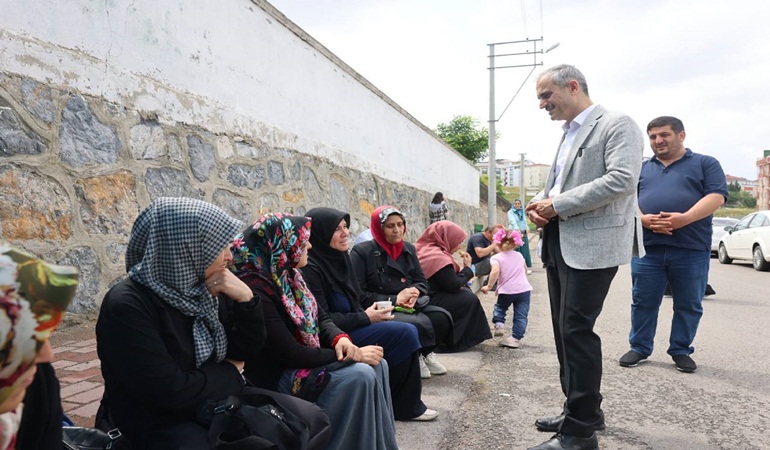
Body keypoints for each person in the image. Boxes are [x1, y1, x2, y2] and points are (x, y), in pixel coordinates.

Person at [95, 198, 331, 450]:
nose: (230, 257)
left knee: (314, 421)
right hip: (157, 418)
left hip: (216, 398)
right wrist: (230, 371)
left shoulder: (208, 286)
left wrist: (247, 300)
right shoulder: (128, 304)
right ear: (186, 248)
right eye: (220, 248)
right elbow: (168, 391)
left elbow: (245, 351)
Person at [525, 64, 644, 450]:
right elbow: (563, 185)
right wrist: (541, 206)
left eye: (546, 95)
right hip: (560, 237)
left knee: (576, 330)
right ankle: (582, 410)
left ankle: (579, 433)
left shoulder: (616, 123)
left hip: (593, 243)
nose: (542, 104)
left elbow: (622, 179)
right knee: (564, 331)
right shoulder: (569, 133)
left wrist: (556, 204)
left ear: (572, 86)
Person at [231, 213, 399, 450]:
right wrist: (353, 354)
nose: (308, 245)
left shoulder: (290, 276)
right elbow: (290, 354)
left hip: (301, 361)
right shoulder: (257, 289)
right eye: (302, 240)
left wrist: (339, 338)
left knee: (378, 364)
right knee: (359, 375)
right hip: (276, 376)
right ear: (282, 245)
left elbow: (321, 316)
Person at [302, 207, 438, 422]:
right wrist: (369, 315)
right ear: (319, 233)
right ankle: (404, 406)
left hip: (354, 323)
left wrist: (412, 294)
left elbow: (354, 299)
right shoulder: (311, 268)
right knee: (405, 332)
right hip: (334, 337)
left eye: (346, 227)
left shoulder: (340, 258)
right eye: (336, 229)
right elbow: (321, 319)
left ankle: (400, 403)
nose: (346, 233)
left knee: (419, 324)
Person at [619, 116, 727, 374]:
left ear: (681, 135)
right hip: (648, 248)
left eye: (664, 135)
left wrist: (684, 219)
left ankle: (681, 350)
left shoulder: (705, 163)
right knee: (643, 300)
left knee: (688, 303)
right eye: (653, 137)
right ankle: (640, 347)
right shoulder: (642, 167)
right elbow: (628, 197)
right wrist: (641, 219)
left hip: (690, 248)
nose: (658, 141)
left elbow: (716, 196)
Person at [351, 206, 453, 379]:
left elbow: (422, 282)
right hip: (381, 307)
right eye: (390, 226)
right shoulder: (362, 252)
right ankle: (414, 355)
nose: (397, 230)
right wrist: (395, 298)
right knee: (414, 324)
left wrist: (413, 293)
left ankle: (425, 353)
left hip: (409, 305)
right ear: (379, 228)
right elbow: (359, 294)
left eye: (400, 224)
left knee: (442, 317)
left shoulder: (408, 249)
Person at [415, 221, 492, 352]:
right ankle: (455, 340)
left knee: (467, 295)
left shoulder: (424, 249)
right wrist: (467, 269)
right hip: (427, 299)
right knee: (468, 298)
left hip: (427, 295)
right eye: (457, 241)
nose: (459, 246)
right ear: (446, 238)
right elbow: (453, 285)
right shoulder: (437, 257)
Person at [481, 228, 533, 349]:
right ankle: (515, 339)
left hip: (507, 290)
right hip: (524, 289)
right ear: (516, 243)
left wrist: (489, 286)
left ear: (497, 242)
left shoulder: (496, 258)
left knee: (501, 307)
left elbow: (495, 271)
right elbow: (525, 270)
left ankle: (499, 324)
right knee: (521, 315)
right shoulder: (519, 255)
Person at [508, 199, 533, 274]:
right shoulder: (510, 212)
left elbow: (524, 221)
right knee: (517, 250)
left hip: (523, 232)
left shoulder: (522, 212)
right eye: (516, 204)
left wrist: (527, 228)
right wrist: (517, 230)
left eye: (519, 204)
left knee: (524, 250)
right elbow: (512, 221)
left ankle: (523, 267)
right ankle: (515, 267)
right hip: (515, 233)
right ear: (513, 204)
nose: (517, 205)